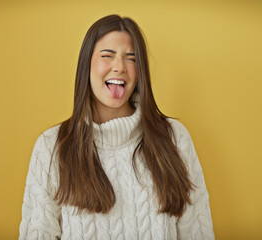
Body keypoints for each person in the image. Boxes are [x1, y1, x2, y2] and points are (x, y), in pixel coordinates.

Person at [19, 14, 215, 239]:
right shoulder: (51, 146)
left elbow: (198, 233)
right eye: (107, 56)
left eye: (131, 58)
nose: (119, 67)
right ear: (86, 65)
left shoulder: (174, 138)